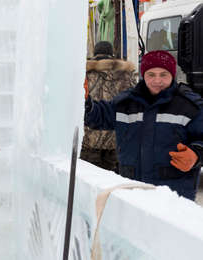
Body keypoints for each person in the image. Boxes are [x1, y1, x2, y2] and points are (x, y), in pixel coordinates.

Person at [84, 50, 203, 200]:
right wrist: (85, 101)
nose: (157, 80)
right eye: (151, 75)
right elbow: (98, 116)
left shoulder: (189, 105)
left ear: (172, 75)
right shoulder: (125, 103)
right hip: (133, 193)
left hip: (174, 197)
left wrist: (196, 154)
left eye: (163, 74)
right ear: (143, 75)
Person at [81, 41, 136, 172]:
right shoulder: (127, 75)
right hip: (116, 140)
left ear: (95, 53)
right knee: (112, 184)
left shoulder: (86, 74)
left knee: (90, 182)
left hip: (90, 139)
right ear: (112, 53)